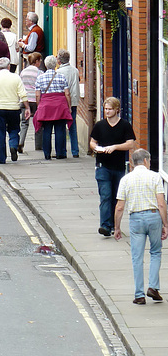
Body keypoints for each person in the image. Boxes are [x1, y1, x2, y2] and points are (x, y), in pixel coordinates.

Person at [114, 149, 168, 304]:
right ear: (145, 161)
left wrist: (117, 228)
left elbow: (119, 207)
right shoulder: (155, 177)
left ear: (132, 162)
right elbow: (161, 204)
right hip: (153, 217)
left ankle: (139, 295)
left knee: (137, 257)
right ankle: (153, 287)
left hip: (135, 218)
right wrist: (166, 224)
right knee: (156, 252)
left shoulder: (126, 179)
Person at [90, 97, 136, 237]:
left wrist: (115, 147)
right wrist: (97, 148)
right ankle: (105, 226)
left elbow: (130, 144)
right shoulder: (99, 125)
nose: (107, 112)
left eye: (110, 109)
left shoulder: (125, 125)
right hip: (102, 166)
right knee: (105, 195)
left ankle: (114, 226)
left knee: (116, 198)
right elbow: (92, 142)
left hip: (118, 167)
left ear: (117, 110)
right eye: (106, 109)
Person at [0, 57, 31, 164]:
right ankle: (13, 145)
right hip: (14, 109)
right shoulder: (16, 78)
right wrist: (27, 107)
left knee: (0, 133)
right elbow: (23, 94)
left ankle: (2, 158)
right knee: (14, 129)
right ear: (9, 66)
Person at [32, 55, 73, 160]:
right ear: (55, 65)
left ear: (45, 65)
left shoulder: (40, 78)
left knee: (47, 130)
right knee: (60, 129)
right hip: (60, 105)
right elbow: (67, 93)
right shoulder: (61, 77)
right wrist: (69, 107)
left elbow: (37, 95)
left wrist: (39, 106)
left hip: (46, 106)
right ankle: (60, 153)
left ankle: (47, 154)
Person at [57, 49, 81, 158]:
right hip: (74, 101)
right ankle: (75, 151)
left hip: (63, 102)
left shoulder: (59, 73)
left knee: (61, 126)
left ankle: (63, 151)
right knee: (73, 126)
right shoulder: (75, 70)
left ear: (59, 60)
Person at [18, 52, 43, 153]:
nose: (40, 62)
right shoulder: (39, 73)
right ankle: (38, 145)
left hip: (25, 100)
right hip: (36, 100)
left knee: (24, 123)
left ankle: (21, 142)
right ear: (36, 61)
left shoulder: (23, 72)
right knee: (38, 122)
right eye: (39, 60)